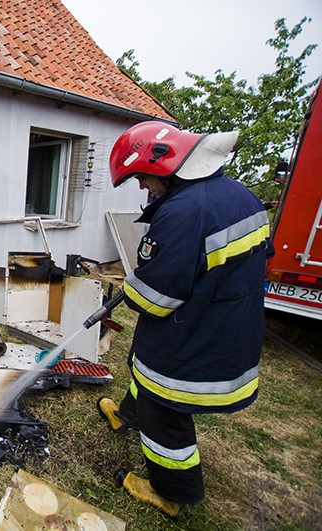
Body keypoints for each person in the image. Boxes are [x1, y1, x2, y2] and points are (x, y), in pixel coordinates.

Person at [97, 121, 273, 517]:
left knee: (165, 409)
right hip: (228, 325)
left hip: (194, 337)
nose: (142, 188)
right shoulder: (241, 195)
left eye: (141, 178)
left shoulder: (183, 211)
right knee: (145, 372)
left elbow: (158, 298)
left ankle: (173, 493)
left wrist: (131, 289)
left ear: (164, 165)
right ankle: (126, 416)